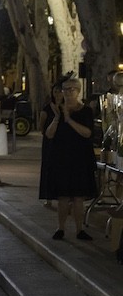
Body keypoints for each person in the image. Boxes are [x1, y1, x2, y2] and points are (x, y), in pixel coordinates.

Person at [45, 76, 97, 241]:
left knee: (78, 197)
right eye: (64, 89)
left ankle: (79, 229)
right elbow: (49, 134)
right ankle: (60, 228)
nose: (67, 93)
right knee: (63, 196)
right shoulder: (57, 110)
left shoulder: (85, 111)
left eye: (71, 89)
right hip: (61, 158)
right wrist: (58, 118)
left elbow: (87, 133)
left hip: (80, 159)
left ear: (78, 91)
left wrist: (69, 120)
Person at [38, 84, 64, 207]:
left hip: (63, 142)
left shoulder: (67, 108)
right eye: (55, 91)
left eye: (60, 91)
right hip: (50, 142)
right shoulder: (47, 109)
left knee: (61, 168)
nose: (58, 94)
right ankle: (48, 197)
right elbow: (41, 126)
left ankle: (61, 196)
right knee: (48, 167)